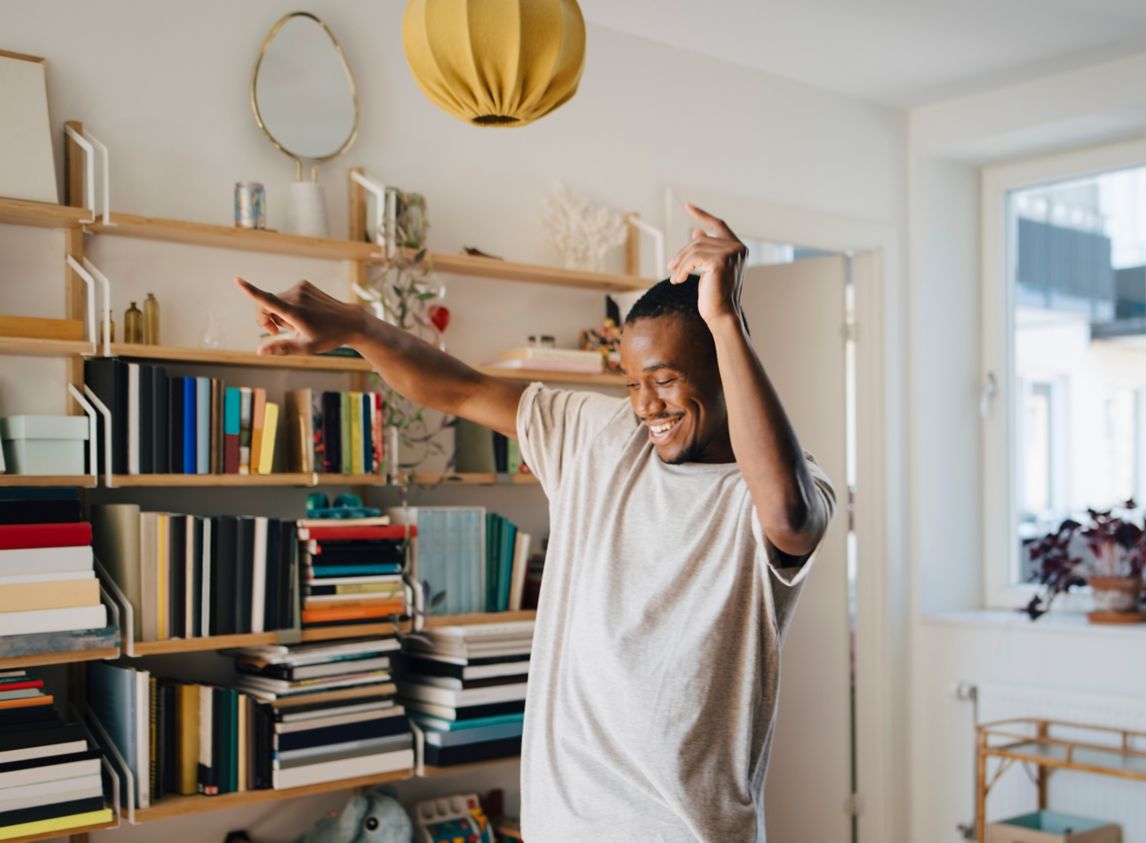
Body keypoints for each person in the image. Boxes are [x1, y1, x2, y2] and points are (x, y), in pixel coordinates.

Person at [235, 204, 836, 842]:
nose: (646, 406)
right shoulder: (598, 436)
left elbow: (789, 516)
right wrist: (358, 325)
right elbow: (458, 389)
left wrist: (723, 320)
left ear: (725, 367)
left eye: (664, 380)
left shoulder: (781, 485)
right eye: (633, 383)